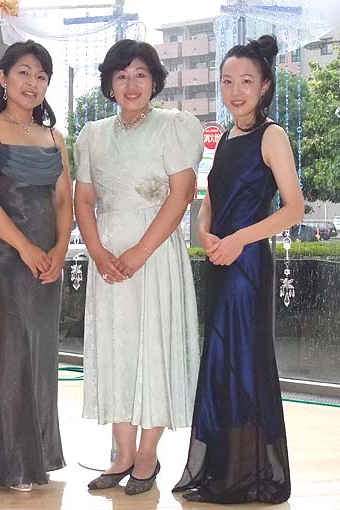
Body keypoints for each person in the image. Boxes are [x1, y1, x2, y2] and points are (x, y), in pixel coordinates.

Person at [173, 35, 304, 504]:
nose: (235, 90)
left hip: (247, 265)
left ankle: (248, 474)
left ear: (265, 85)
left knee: (245, 361)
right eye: (227, 81)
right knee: (221, 361)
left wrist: (238, 240)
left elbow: (294, 209)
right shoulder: (225, 138)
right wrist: (204, 231)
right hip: (219, 260)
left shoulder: (273, 136)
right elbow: (211, 198)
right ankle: (226, 469)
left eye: (246, 81)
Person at [74, 39, 203, 496]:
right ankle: (122, 453)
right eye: (122, 75)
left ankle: (147, 455)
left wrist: (139, 253)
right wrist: (96, 251)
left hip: (155, 256)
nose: (131, 84)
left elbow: (181, 195)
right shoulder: (92, 134)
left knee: (155, 347)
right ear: (109, 83)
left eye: (141, 75)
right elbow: (83, 199)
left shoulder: (175, 126)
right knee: (117, 349)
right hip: (108, 260)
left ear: (155, 81)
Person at [0, 40, 72, 492]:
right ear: (3, 77)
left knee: (41, 353)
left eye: (41, 76)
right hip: (3, 257)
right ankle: (8, 461)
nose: (33, 83)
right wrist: (25, 247)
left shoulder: (55, 137)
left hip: (47, 258)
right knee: (10, 351)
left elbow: (63, 200)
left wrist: (61, 248)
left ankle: (37, 456)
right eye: (24, 73)